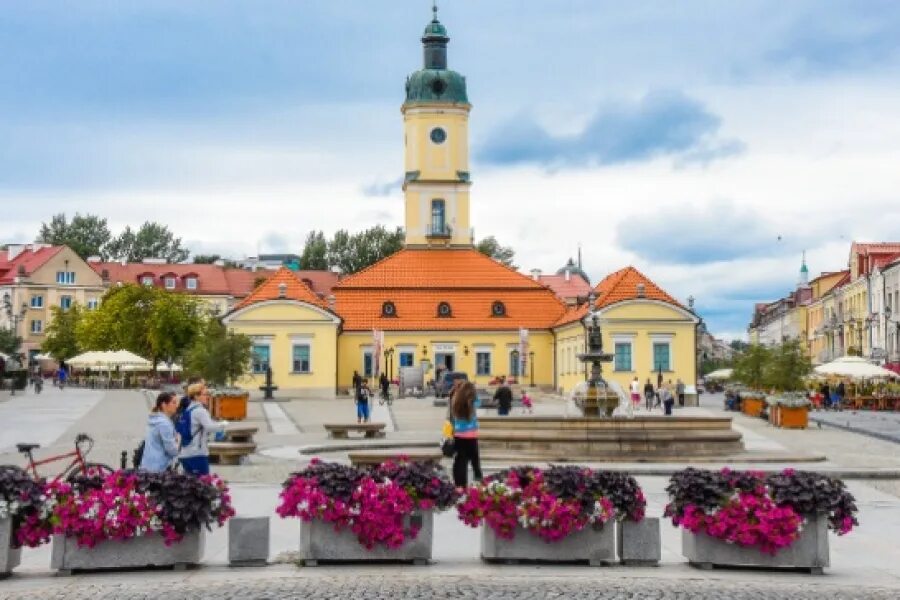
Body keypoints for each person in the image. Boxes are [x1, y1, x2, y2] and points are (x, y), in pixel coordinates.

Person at [178, 383, 228, 476]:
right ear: (196, 396)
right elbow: (210, 427)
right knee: (204, 483)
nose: (207, 397)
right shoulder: (200, 411)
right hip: (197, 453)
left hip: (185, 453)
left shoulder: (188, 409)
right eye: (204, 394)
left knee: (191, 486)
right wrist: (223, 424)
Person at [451, 381, 482, 487]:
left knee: (460, 460)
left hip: (458, 434)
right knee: (475, 458)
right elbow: (479, 403)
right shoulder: (472, 401)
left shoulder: (456, 400)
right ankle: (478, 479)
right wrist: (474, 392)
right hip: (471, 435)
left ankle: (460, 485)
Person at [140, 391, 181, 472]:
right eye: (173, 403)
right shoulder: (164, 424)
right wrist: (179, 441)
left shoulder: (154, 419)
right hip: (160, 467)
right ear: (164, 405)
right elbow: (171, 450)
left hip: (148, 464)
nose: (176, 406)